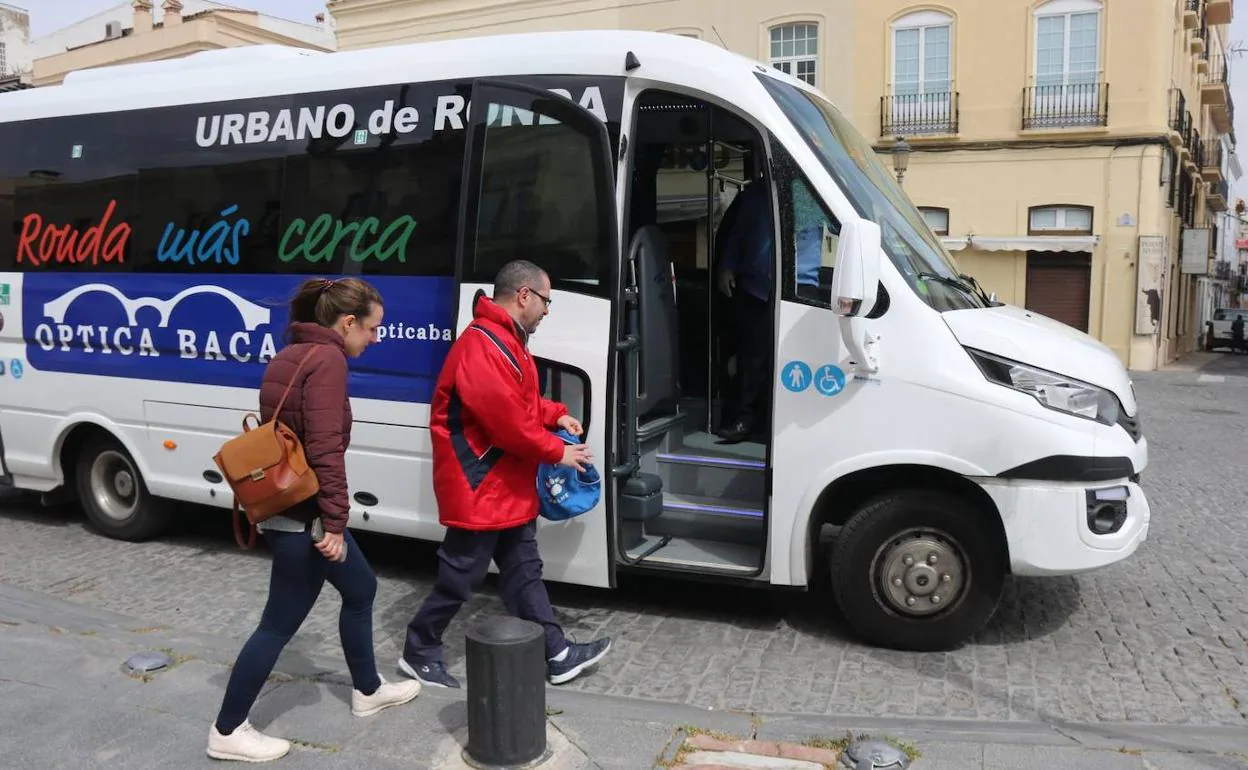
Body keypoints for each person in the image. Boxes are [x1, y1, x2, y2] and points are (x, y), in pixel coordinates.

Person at [208, 277, 421, 763]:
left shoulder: (293, 351)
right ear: (347, 322)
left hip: (290, 508)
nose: (376, 338)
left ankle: (367, 690)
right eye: (372, 329)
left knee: (361, 588)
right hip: (303, 518)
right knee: (278, 624)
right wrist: (335, 523)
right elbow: (324, 449)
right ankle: (227, 729)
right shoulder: (326, 361)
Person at [398, 260, 612, 689]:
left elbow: (523, 404)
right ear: (524, 296)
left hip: (500, 484)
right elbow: (507, 423)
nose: (548, 311)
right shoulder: (484, 345)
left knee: (523, 570)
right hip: (481, 484)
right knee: (461, 576)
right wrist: (557, 452)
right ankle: (418, 650)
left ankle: (557, 653)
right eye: (547, 301)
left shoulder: (502, 340)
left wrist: (557, 415)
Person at [715, 175, 776, 444]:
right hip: (754, 288)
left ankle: (768, 419)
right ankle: (744, 419)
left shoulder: (803, 188)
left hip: (797, 287)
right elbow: (735, 233)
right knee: (752, 358)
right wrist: (726, 267)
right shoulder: (753, 194)